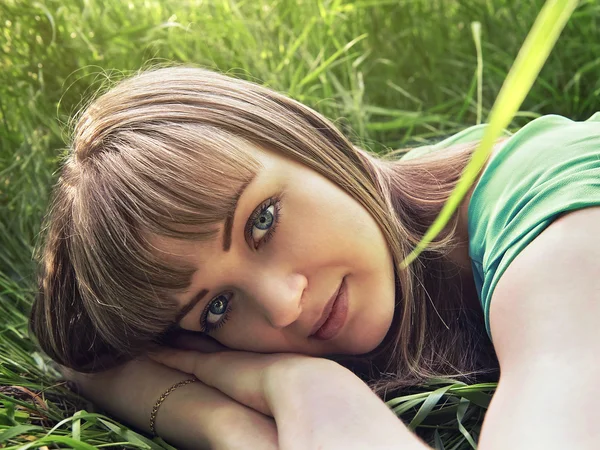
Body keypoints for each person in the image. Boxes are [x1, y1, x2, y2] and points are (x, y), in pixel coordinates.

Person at [30, 66, 600, 449]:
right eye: (219, 307)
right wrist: (250, 411)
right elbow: (90, 361)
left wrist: (308, 407)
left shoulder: (548, 206)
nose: (283, 306)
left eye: (263, 221)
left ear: (306, 139)